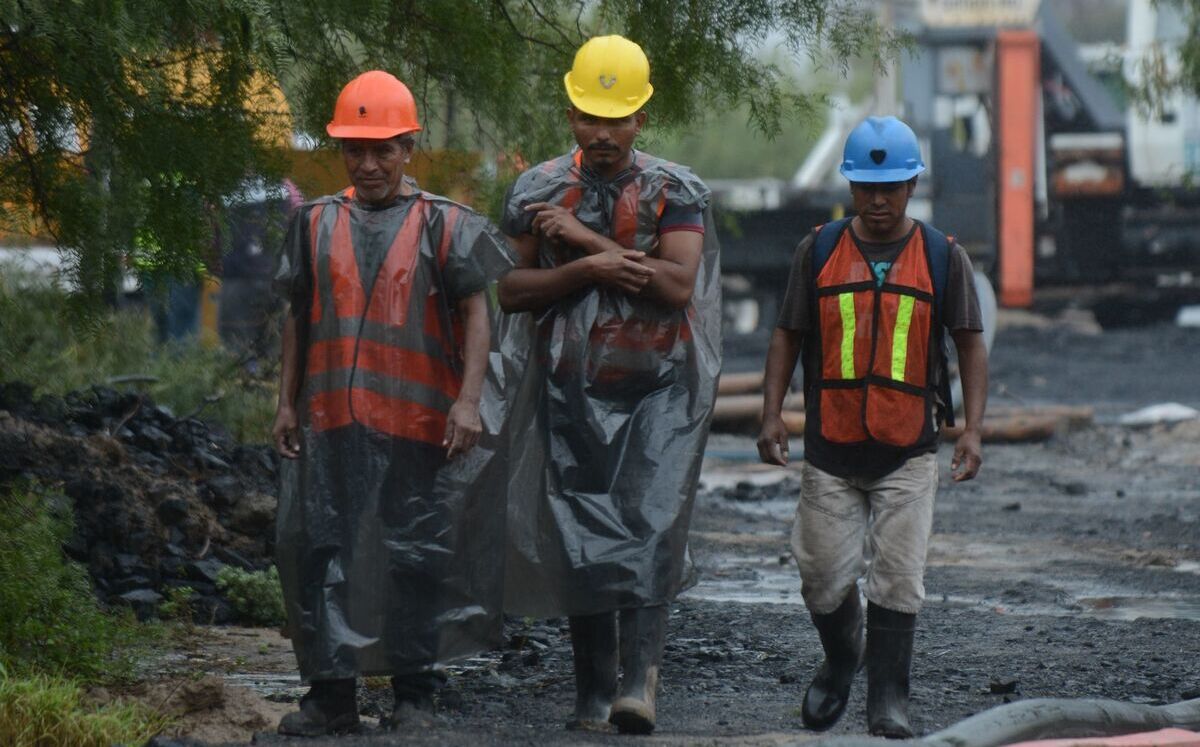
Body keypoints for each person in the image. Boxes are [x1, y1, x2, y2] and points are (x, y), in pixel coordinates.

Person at [270, 70, 512, 736]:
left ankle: (415, 697)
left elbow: (477, 313)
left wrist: (468, 401)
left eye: (383, 149)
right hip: (332, 422)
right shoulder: (314, 222)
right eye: (356, 149)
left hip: (418, 424)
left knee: (417, 556)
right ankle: (332, 698)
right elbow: (296, 314)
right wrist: (285, 402)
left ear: (409, 147)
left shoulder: (446, 224)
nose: (368, 163)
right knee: (323, 548)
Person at [497, 35, 721, 735]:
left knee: (650, 527)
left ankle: (638, 683)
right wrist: (588, 272)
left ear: (640, 119)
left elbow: (678, 284)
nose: (601, 133)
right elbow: (510, 288)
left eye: (615, 118)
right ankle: (592, 691)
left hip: (658, 387)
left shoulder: (674, 189)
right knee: (579, 535)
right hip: (568, 388)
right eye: (589, 117)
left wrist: (588, 242)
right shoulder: (536, 190)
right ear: (569, 113)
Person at [756, 116, 988, 738]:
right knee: (823, 578)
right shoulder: (820, 250)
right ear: (850, 187)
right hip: (830, 449)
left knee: (898, 577)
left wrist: (971, 429)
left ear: (913, 184)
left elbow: (970, 344)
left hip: (909, 448)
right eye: (866, 187)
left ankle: (888, 699)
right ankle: (840, 659)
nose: (878, 200)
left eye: (891, 187)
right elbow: (787, 335)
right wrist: (771, 412)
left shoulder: (943, 256)